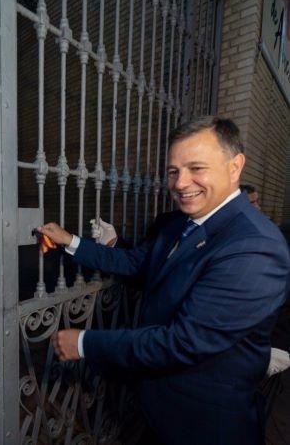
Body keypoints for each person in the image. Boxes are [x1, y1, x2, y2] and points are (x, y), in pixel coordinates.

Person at [38, 117, 290, 445]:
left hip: (204, 423)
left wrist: (85, 343)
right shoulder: (178, 223)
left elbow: (183, 342)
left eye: (196, 168)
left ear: (234, 166)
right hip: (158, 405)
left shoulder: (254, 247)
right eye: (173, 171)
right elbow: (133, 262)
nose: (181, 183)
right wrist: (70, 241)